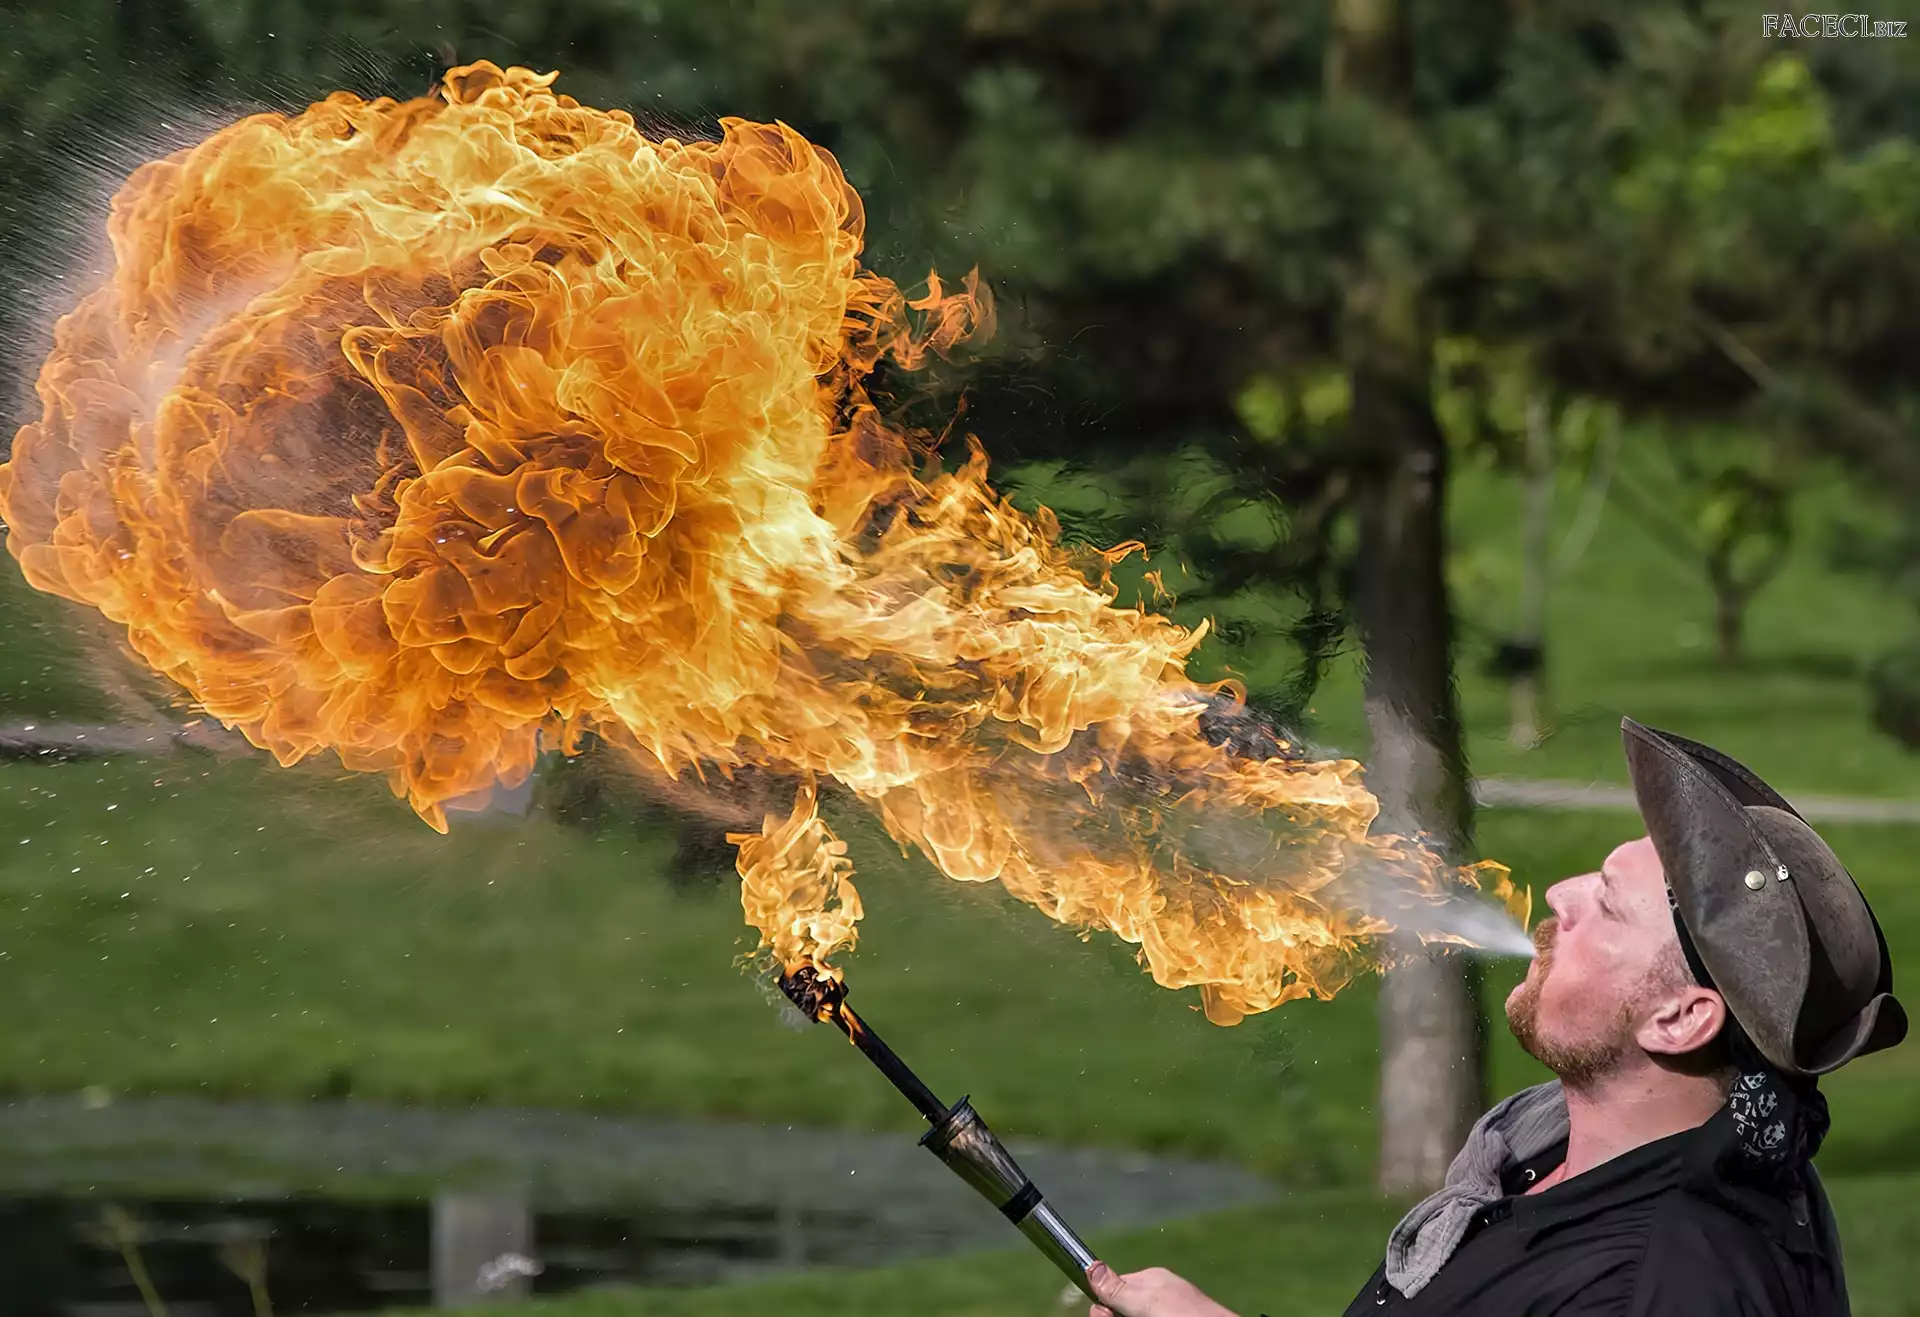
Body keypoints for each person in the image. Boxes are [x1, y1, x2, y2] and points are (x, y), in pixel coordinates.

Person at [1085, 718, 1906, 1317]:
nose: (1561, 895)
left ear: (1679, 1018)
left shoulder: (1661, 1285)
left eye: (1608, 906)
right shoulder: (1544, 1152)